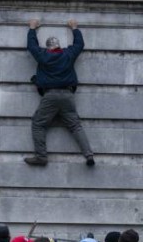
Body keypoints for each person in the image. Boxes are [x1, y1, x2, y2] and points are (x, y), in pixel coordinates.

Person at [25, 18, 94, 167]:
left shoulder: (43, 55)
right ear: (59, 46)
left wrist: (32, 28)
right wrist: (75, 28)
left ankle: (41, 156)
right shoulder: (67, 54)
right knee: (75, 126)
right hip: (68, 95)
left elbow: (32, 46)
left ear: (48, 47)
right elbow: (79, 45)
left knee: (38, 124)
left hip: (50, 96)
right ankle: (89, 155)